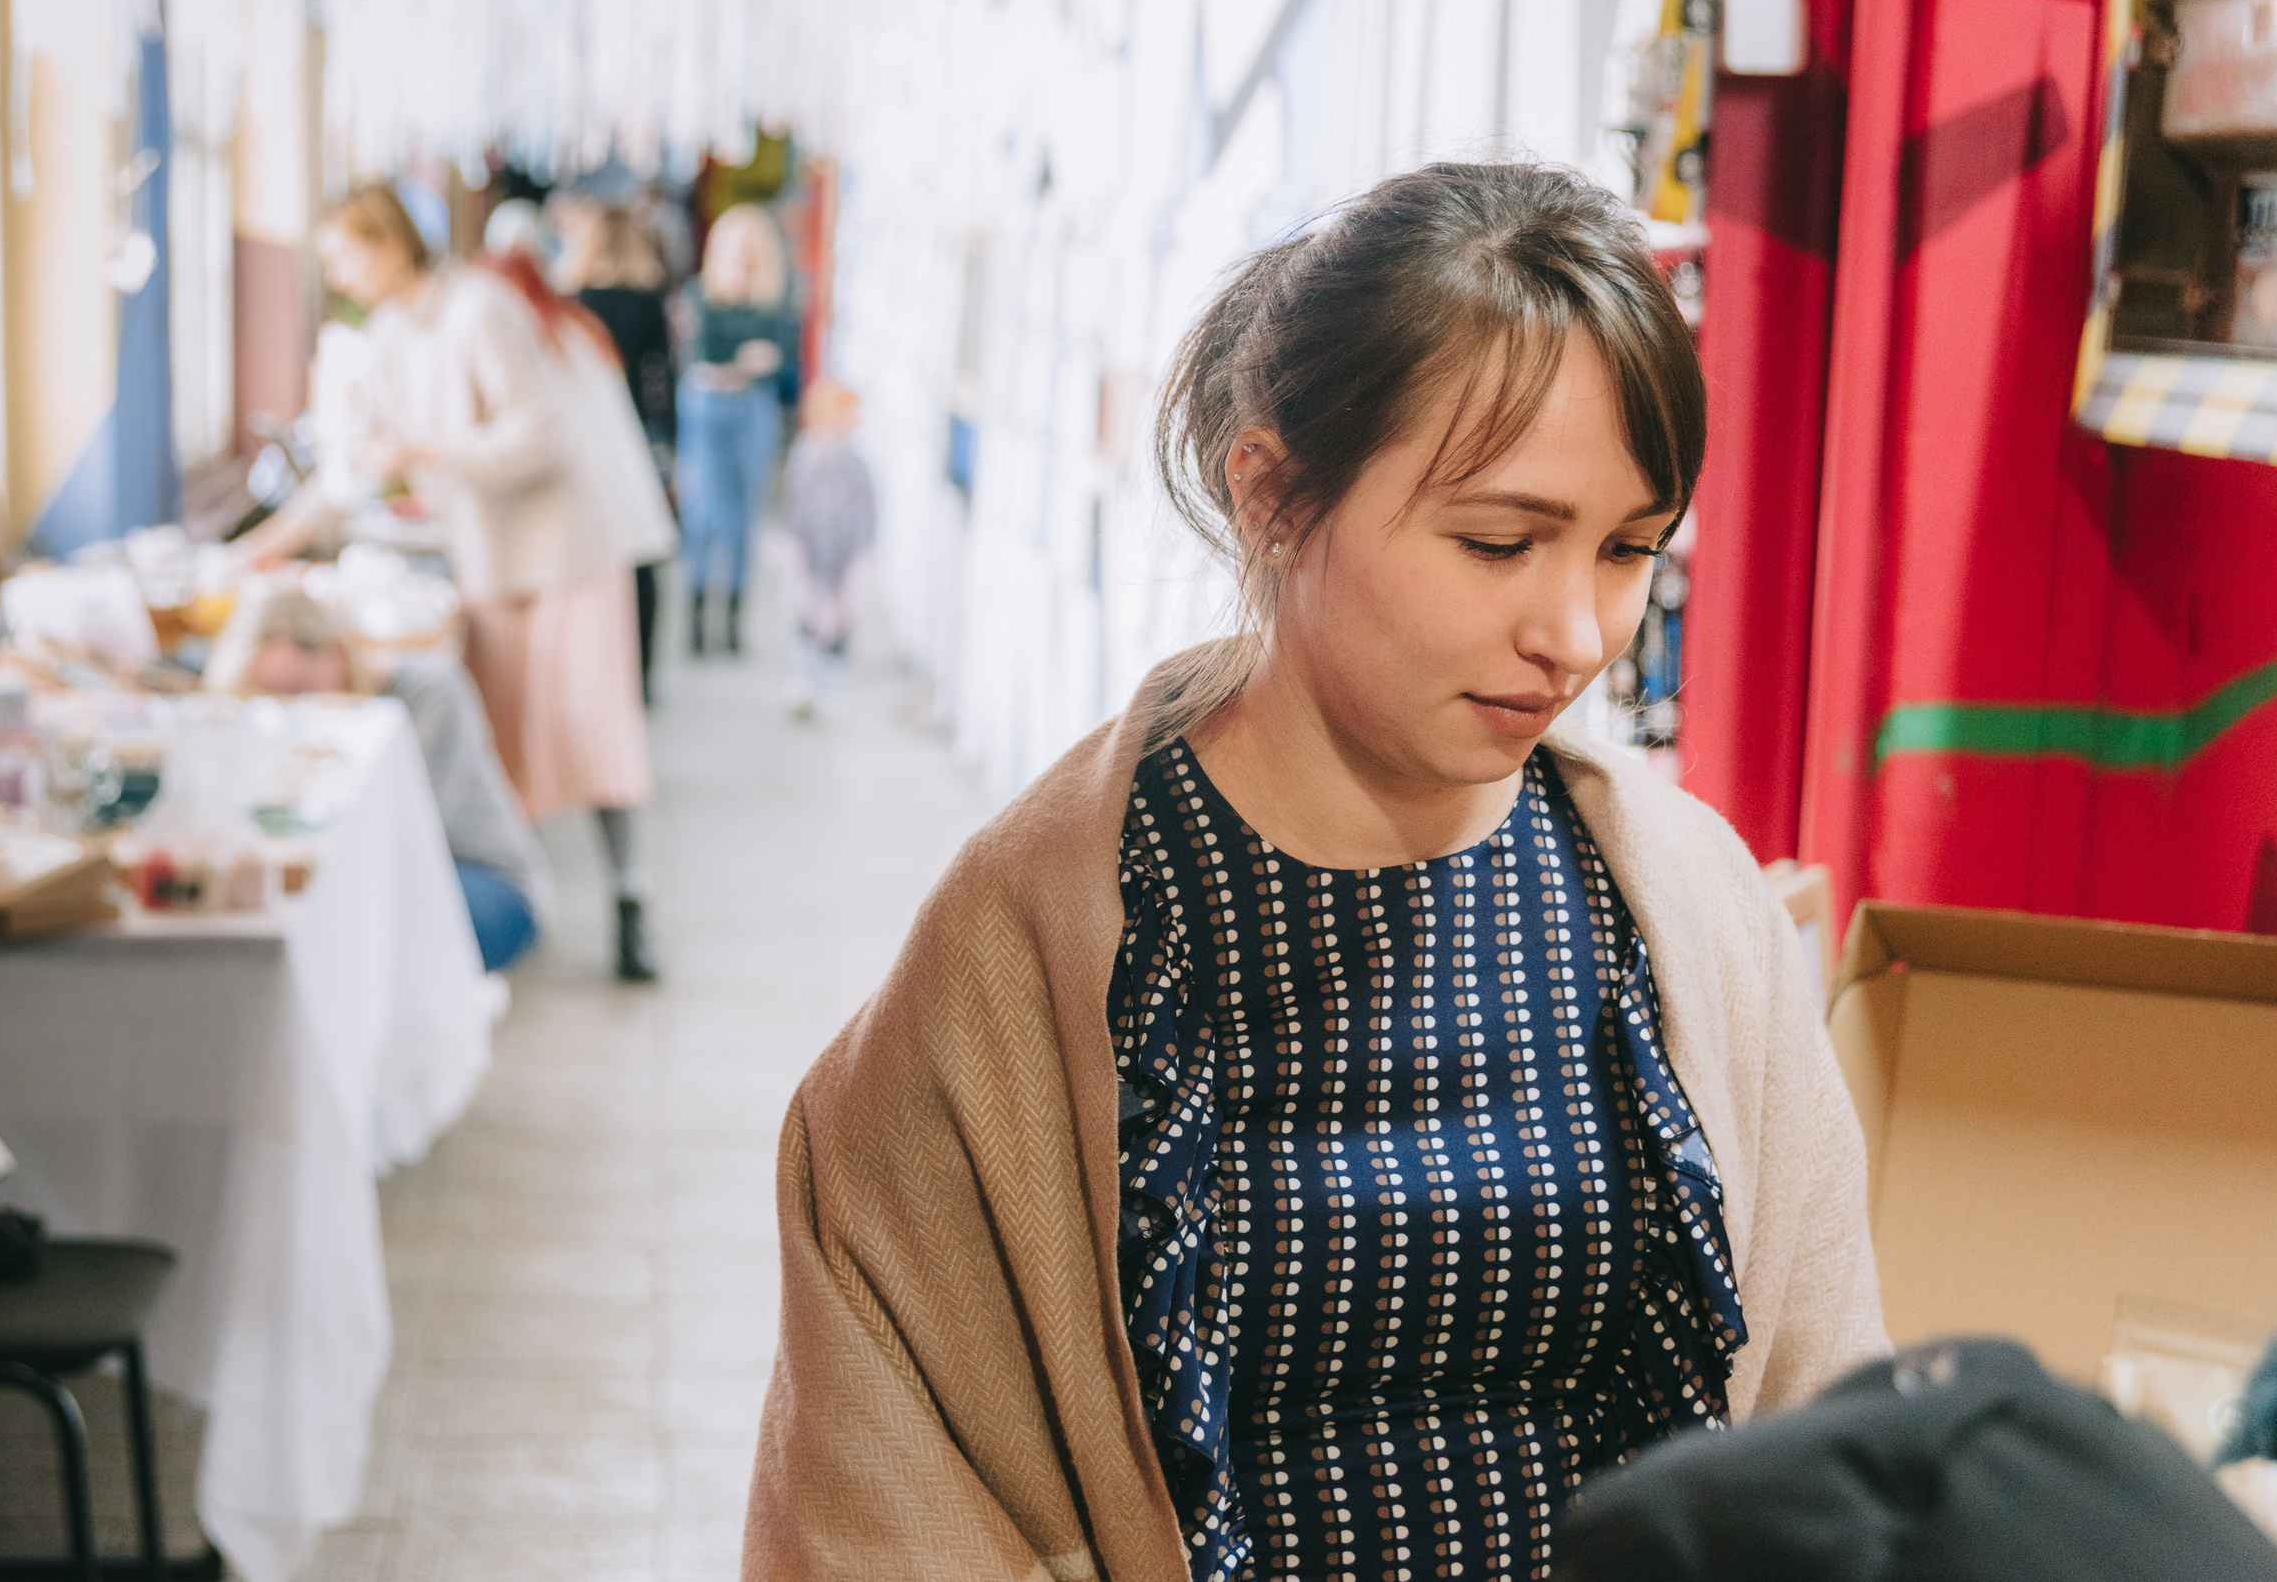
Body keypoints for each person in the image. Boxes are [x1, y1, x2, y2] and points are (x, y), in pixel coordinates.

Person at [746, 164, 1888, 1580]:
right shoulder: (1029, 945)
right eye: (1499, 542)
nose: (1577, 631)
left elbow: (1827, 1406)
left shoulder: (1683, 912)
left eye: (1627, 549)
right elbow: (886, 1488)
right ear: (1274, 493)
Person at [277, 183, 661, 982]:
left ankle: (631, 903)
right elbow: (353, 468)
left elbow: (540, 433)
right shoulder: (387, 332)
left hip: (566, 554)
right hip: (490, 561)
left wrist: (427, 453)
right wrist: (262, 548)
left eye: (345, 257)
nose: (339, 276)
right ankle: (526, 898)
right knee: (504, 744)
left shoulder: (479, 307)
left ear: (388, 242)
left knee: (597, 736)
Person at [205, 590, 551, 976]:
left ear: (336, 654)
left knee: (340, 931)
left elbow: (408, 831)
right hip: (390, 878)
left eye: (297, 689)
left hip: (483, 879)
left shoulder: (428, 692)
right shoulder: (287, 725)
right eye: (267, 699)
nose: (289, 710)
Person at [676, 201, 800, 657]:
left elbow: (780, 361)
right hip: (706, 406)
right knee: (703, 511)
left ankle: (731, 622)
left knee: (744, 514)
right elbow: (705, 354)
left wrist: (745, 364)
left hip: (752, 408)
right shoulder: (701, 294)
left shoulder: (774, 298)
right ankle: (696, 616)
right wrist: (744, 362)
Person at [569, 203, 680, 702]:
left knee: (591, 558)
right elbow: (661, 381)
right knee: (641, 558)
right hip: (635, 442)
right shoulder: (649, 303)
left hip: (585, 443)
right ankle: (643, 673)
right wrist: (668, 442)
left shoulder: (574, 304)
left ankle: (598, 668)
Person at [774, 377, 875, 719]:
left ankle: (830, 693)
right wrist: (802, 574)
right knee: (806, 625)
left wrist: (853, 579)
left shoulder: (856, 466)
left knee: (838, 629)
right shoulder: (804, 460)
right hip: (807, 562)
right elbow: (792, 517)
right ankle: (802, 687)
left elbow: (866, 523)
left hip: (845, 566)